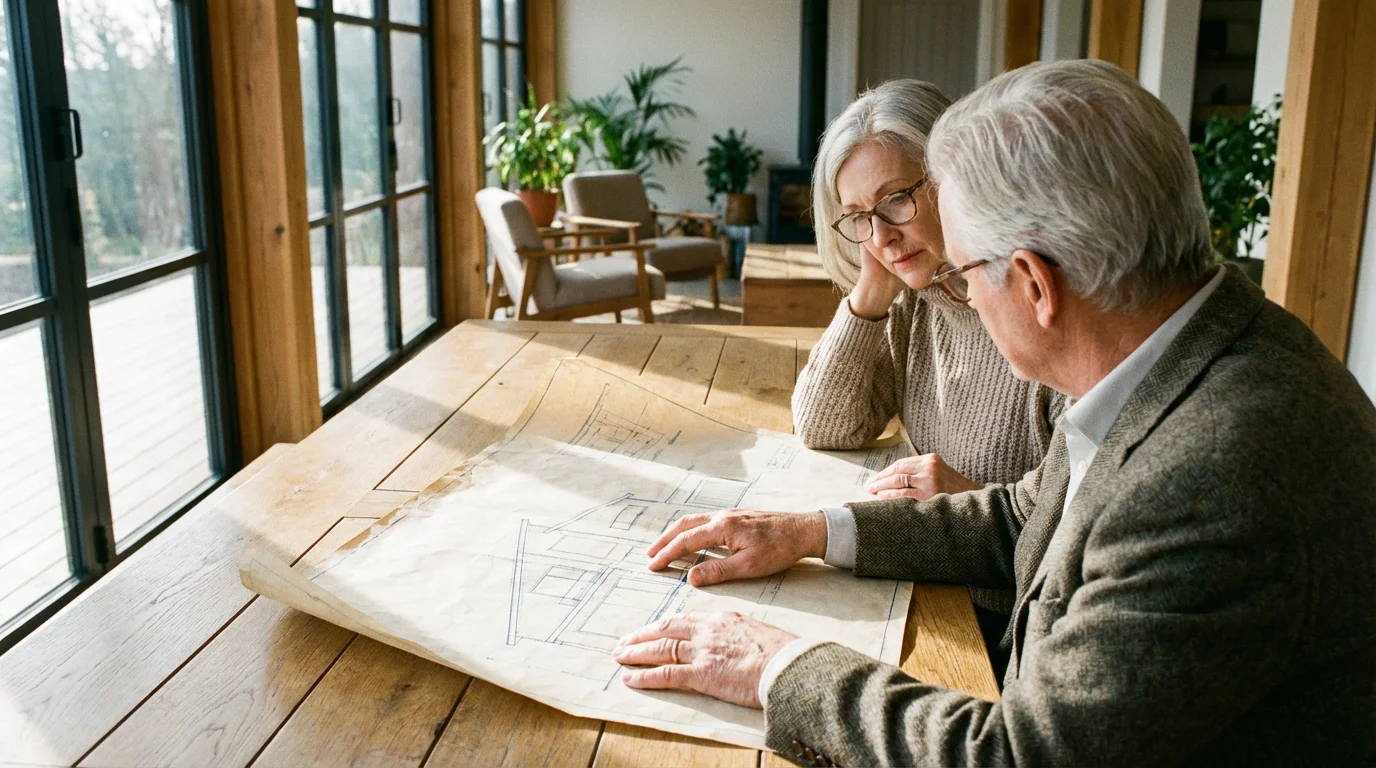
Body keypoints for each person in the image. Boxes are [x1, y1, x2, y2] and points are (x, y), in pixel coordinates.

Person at [610, 60, 1376, 766]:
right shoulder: (1176, 357)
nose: (960, 293)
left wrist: (775, 665)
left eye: (969, 271)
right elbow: (1026, 513)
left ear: (1035, 286)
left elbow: (1016, 757)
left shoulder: (1217, 471)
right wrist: (813, 531)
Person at [797, 80, 1065, 651]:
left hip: (999, 620)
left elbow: (1072, 554)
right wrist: (872, 289)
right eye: (858, 218)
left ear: (956, 180)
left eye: (895, 199)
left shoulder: (1037, 308)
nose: (883, 236)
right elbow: (825, 426)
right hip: (918, 580)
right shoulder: (918, 298)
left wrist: (971, 501)